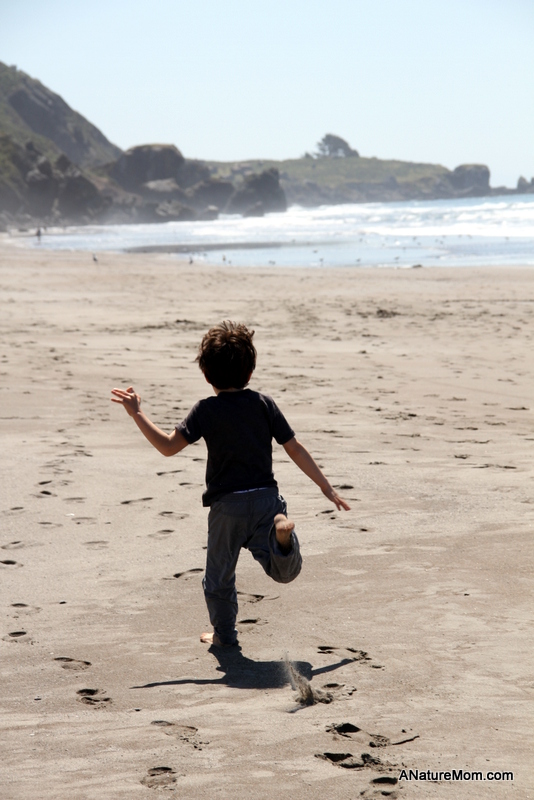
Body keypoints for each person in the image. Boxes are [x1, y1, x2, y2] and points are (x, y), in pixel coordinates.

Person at [111, 321, 350, 647]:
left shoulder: (205, 410)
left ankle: (224, 637)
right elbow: (293, 447)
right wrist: (326, 487)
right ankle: (282, 540)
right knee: (284, 572)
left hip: (227, 508)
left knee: (219, 579)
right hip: (267, 501)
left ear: (206, 374)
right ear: (250, 371)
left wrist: (137, 413)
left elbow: (167, 446)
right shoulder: (264, 404)